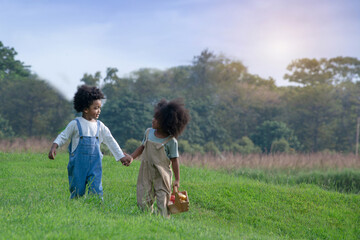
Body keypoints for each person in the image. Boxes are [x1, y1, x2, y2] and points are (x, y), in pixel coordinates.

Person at [48, 85, 132, 199]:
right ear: (86, 109)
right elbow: (63, 136)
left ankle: (97, 207)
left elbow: (111, 141)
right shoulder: (75, 124)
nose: (99, 111)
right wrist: (54, 147)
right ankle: (75, 206)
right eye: (96, 108)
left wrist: (121, 156)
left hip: (95, 165)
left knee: (96, 189)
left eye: (99, 107)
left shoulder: (100, 126)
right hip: (78, 165)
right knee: (78, 190)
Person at [130, 98, 190, 217]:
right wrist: (131, 157)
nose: (153, 120)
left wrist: (177, 180)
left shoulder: (171, 141)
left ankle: (162, 221)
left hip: (162, 175)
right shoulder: (149, 132)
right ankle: (146, 218)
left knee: (163, 200)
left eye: (157, 119)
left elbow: (174, 161)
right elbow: (142, 147)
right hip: (146, 171)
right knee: (143, 198)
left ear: (166, 123)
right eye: (154, 116)